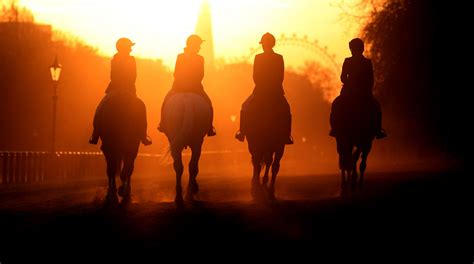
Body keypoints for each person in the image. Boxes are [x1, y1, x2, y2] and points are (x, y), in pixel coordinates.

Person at [89, 37, 152, 145]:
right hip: (122, 88)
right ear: (124, 48)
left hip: (120, 88)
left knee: (101, 107)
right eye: (129, 48)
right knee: (141, 107)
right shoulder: (117, 59)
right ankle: (143, 136)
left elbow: (129, 75)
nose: (131, 50)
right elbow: (120, 75)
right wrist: (124, 86)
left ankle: (95, 135)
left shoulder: (123, 59)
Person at [235, 32, 293, 144]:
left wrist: (262, 85)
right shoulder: (279, 58)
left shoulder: (258, 57)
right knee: (286, 110)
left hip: (260, 91)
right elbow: (280, 76)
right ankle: (287, 136)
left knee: (245, 107)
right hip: (276, 92)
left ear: (264, 45)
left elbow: (255, 76)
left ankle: (242, 132)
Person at [158, 34, 216, 136]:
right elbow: (200, 74)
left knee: (165, 102)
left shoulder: (181, 57)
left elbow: (176, 73)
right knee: (209, 104)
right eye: (198, 45)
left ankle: (162, 124)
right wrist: (191, 83)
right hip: (196, 88)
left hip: (178, 87)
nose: (200, 47)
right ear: (193, 45)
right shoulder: (199, 58)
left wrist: (183, 82)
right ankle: (210, 127)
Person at [330, 38, 386, 139]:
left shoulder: (365, 62)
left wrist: (362, 88)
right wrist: (351, 85)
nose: (354, 51)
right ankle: (335, 128)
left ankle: (377, 129)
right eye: (353, 49)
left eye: (355, 48)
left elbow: (370, 78)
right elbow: (343, 77)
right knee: (336, 105)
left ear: (361, 49)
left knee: (376, 107)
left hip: (361, 92)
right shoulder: (349, 61)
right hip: (353, 91)